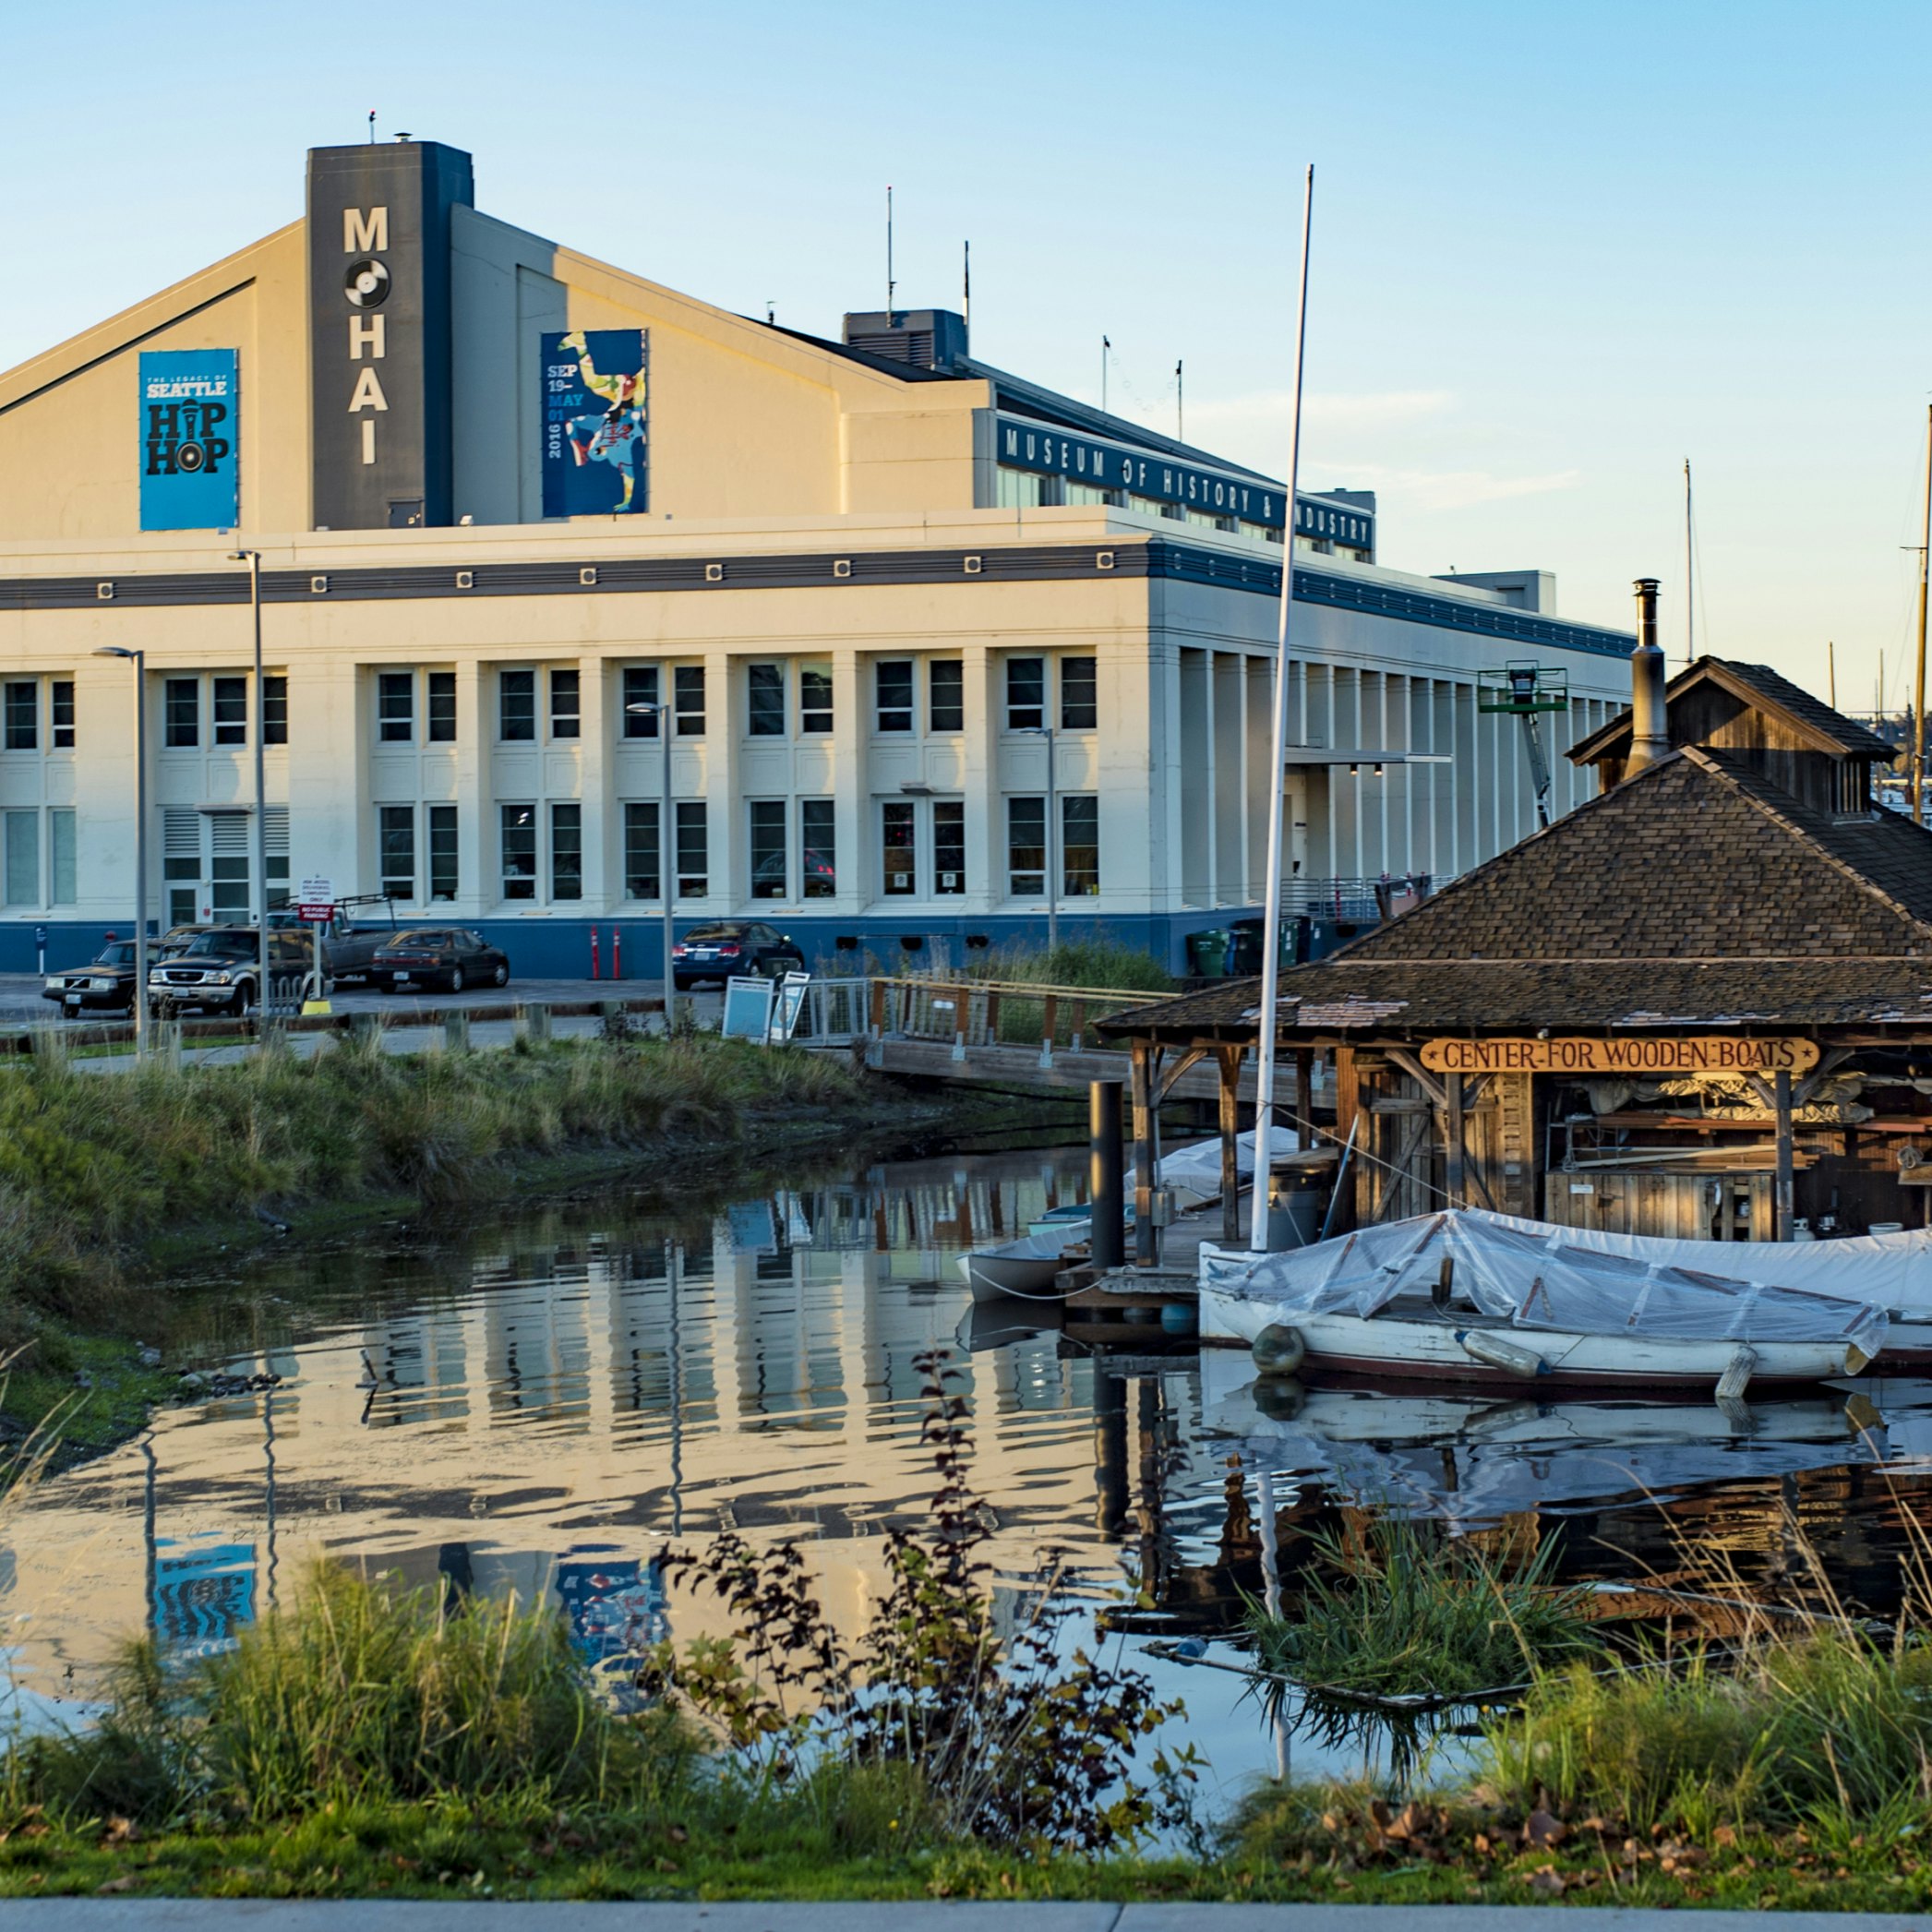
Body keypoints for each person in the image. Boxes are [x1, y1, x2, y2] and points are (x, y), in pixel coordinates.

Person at [559, 330, 647, 511]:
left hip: (619, 396)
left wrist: (577, 446)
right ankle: (646, 346)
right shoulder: (619, 457)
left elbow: (571, 422)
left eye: (594, 447)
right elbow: (629, 477)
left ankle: (580, 344)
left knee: (593, 384)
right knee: (640, 381)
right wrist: (627, 502)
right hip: (635, 402)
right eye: (599, 450)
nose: (600, 445)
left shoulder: (596, 425)